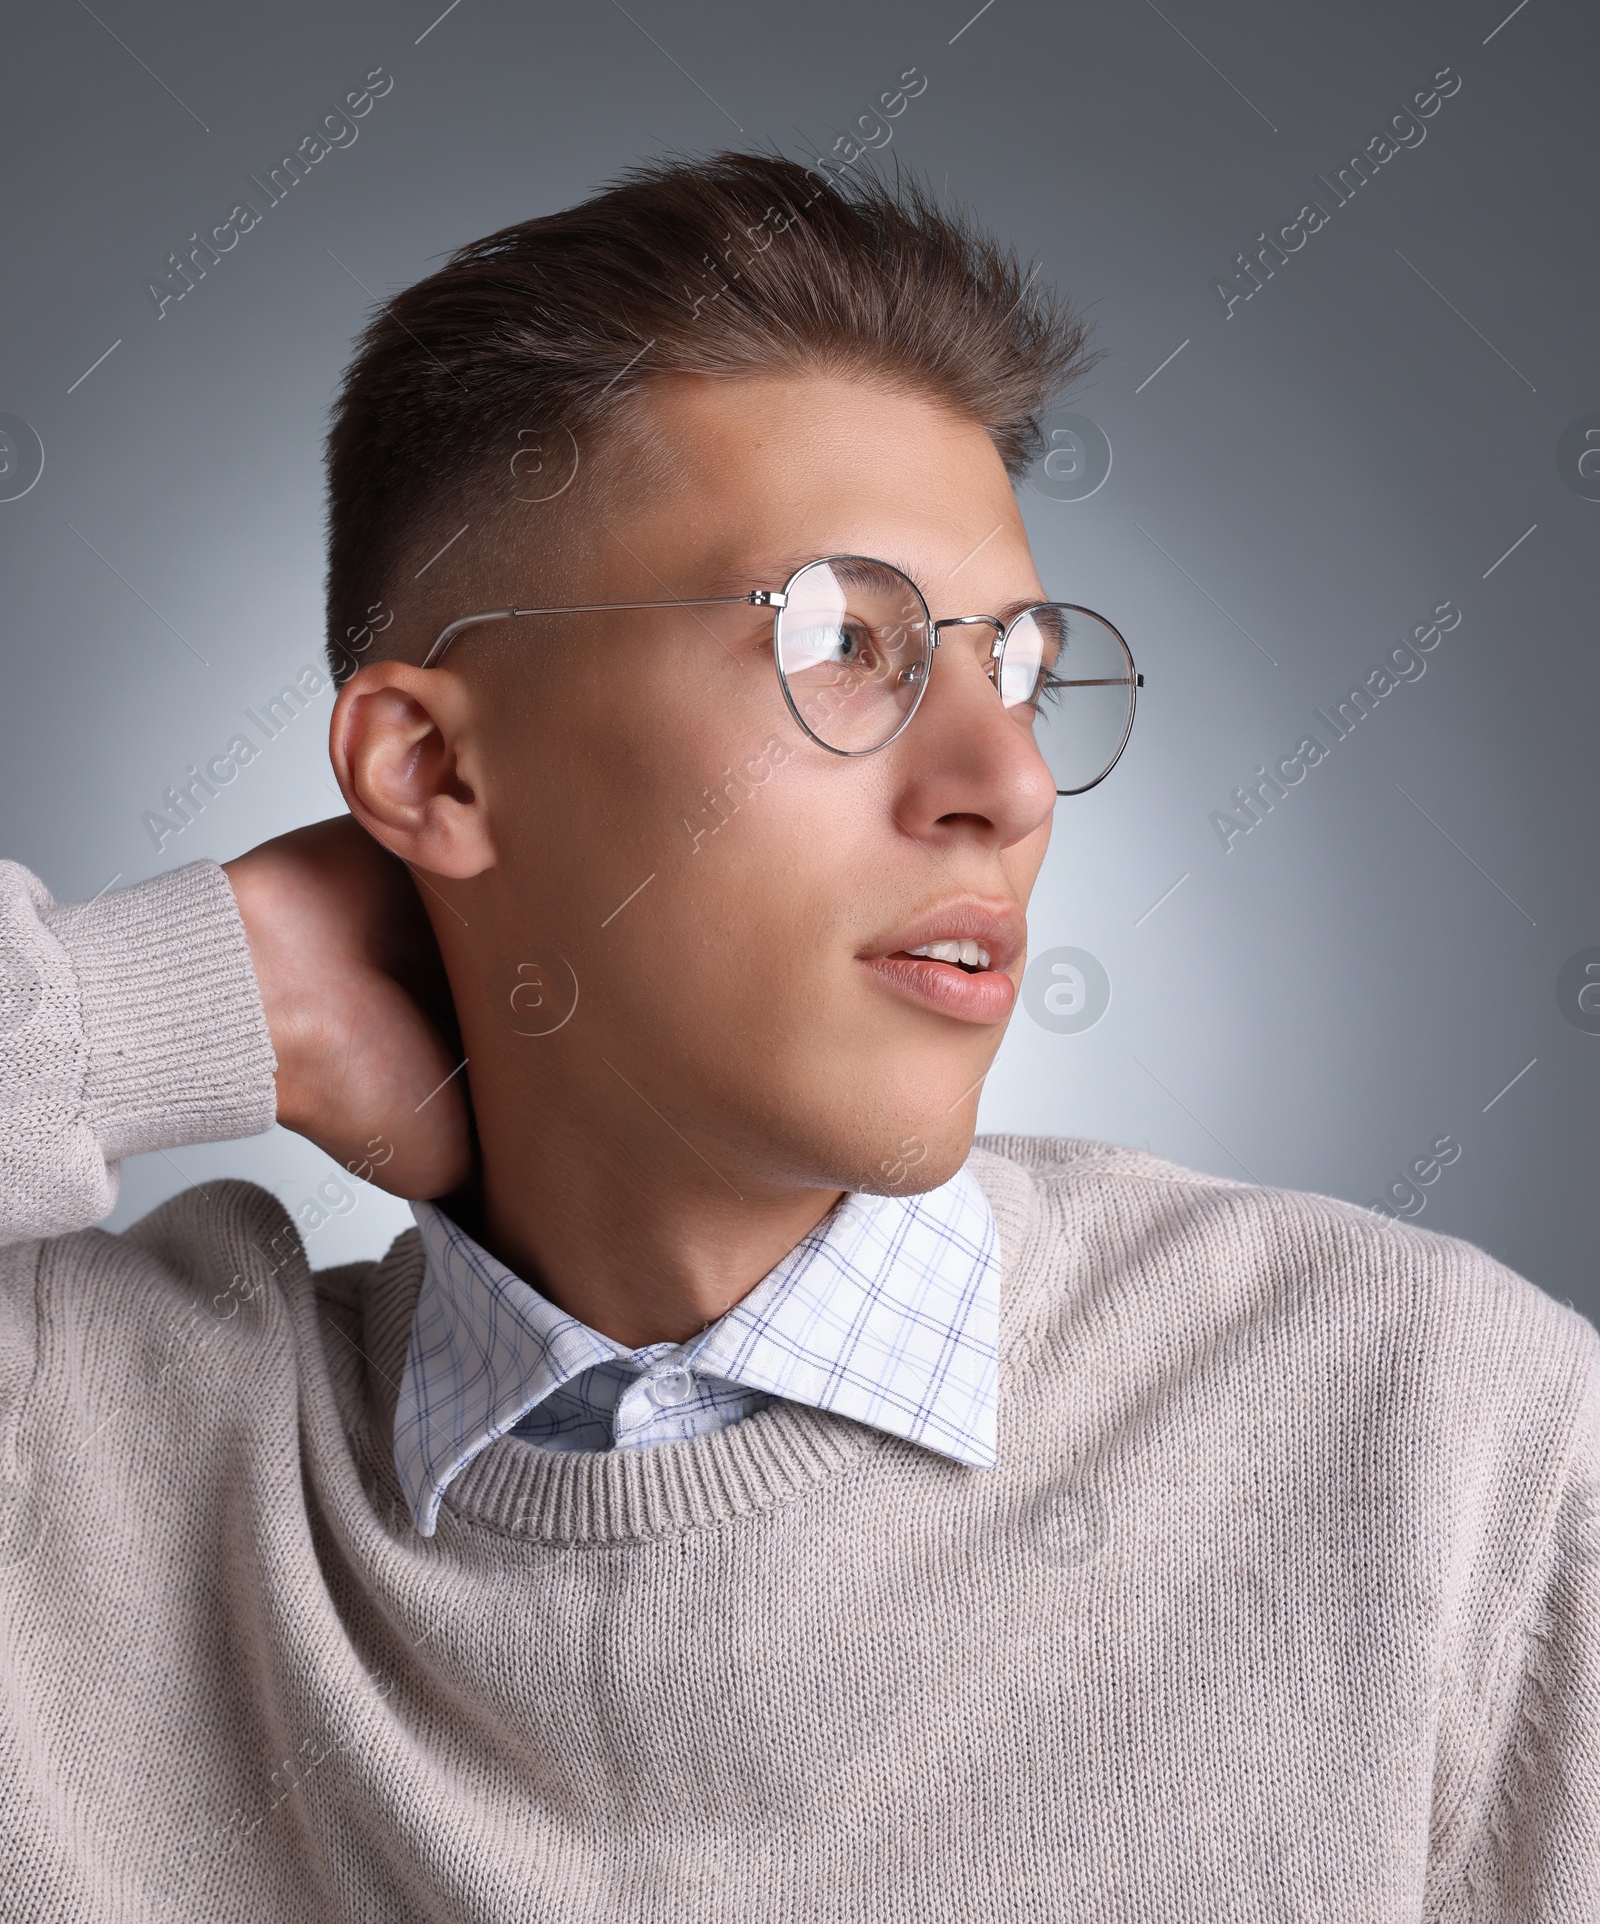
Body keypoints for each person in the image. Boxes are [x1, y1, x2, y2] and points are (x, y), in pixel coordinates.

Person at [0, 152, 1594, 1922]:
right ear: (435, 769)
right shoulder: (86, 1465)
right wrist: (163, 998)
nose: (1006, 784)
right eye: (846, 643)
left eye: (1022, 666)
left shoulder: (1435, 1440)